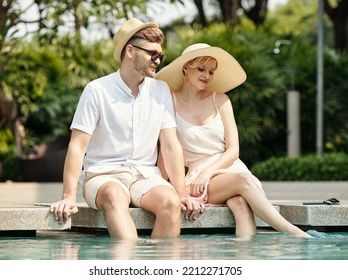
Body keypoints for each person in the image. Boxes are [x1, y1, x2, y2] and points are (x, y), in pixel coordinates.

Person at [50, 18, 203, 240]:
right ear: (130, 51)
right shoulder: (97, 90)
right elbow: (77, 146)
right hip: (103, 175)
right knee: (114, 194)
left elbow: (170, 146)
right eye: (152, 54)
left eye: (160, 55)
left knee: (171, 203)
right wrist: (68, 196)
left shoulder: (161, 91)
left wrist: (181, 194)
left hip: (145, 176)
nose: (157, 60)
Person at [155, 43, 310, 238]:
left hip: (229, 167)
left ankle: (242, 259)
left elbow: (233, 150)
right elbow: (167, 150)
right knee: (243, 181)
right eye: (201, 69)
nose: (207, 76)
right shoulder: (169, 102)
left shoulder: (220, 99)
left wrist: (209, 171)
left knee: (240, 204)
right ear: (186, 67)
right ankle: (293, 232)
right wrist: (158, 188)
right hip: (199, 181)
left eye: (211, 71)